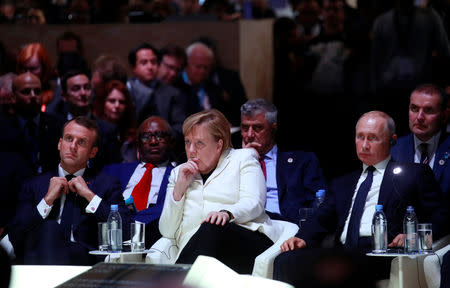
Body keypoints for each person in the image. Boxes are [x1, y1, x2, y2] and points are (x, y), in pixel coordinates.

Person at [273, 111, 448, 286]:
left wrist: (414, 236)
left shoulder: (412, 174)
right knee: (285, 260)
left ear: (391, 140)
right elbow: (322, 217)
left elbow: (442, 217)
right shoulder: (343, 182)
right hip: (342, 251)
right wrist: (302, 237)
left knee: (338, 266)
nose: (364, 145)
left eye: (372, 138)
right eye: (360, 137)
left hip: (381, 252)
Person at [159, 109, 278, 274]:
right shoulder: (178, 173)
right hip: (199, 253)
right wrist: (179, 189)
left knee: (212, 225)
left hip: (244, 241)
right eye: (187, 142)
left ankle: (175, 280)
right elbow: (167, 230)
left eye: (199, 143)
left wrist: (227, 213)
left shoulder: (243, 158)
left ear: (219, 145)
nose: (191, 150)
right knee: (210, 229)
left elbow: (254, 202)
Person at [9, 116, 130, 265]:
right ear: (60, 144)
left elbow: (125, 230)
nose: (73, 146)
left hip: (83, 262)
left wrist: (89, 196)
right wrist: (47, 200)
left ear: (93, 152)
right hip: (39, 260)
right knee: (50, 229)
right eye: (68, 139)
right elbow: (16, 236)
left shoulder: (107, 184)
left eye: (81, 142)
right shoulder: (34, 185)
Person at [240, 99, 327, 224]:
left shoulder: (303, 161)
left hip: (285, 225)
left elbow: (320, 203)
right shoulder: (233, 160)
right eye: (245, 128)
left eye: (257, 128)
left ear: (273, 128)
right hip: (245, 226)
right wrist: (243, 158)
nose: (249, 135)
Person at [102, 116, 176, 247]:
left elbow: (168, 210)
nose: (153, 141)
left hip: (153, 240)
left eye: (160, 136)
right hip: (111, 236)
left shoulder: (178, 174)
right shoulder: (113, 170)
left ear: (171, 142)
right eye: (146, 137)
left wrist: (129, 222)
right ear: (138, 143)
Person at [54, 69, 122, 169]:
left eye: (87, 88)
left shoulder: (107, 130)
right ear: (64, 96)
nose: (83, 93)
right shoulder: (54, 127)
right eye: (76, 88)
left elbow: (114, 168)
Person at [391, 84, 449, 196]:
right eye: (414, 109)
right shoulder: (392, 149)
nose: (419, 117)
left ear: (444, 116)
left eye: (428, 110)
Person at [0, 72, 63, 175]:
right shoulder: (3, 128)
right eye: (26, 92)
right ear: (13, 97)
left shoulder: (57, 125)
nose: (33, 96)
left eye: (37, 91)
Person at [126, 42, 186, 136]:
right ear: (134, 67)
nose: (150, 67)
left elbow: (180, 126)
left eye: (153, 62)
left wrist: (161, 136)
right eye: (144, 62)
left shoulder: (172, 93)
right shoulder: (126, 88)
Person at [93, 80, 138, 163]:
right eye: (112, 101)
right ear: (103, 103)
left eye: (121, 102)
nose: (117, 106)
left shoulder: (131, 134)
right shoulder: (93, 131)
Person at [16, 42, 54, 109]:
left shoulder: (57, 94)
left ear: (44, 68)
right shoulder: (13, 94)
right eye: (24, 69)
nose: (28, 74)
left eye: (33, 69)